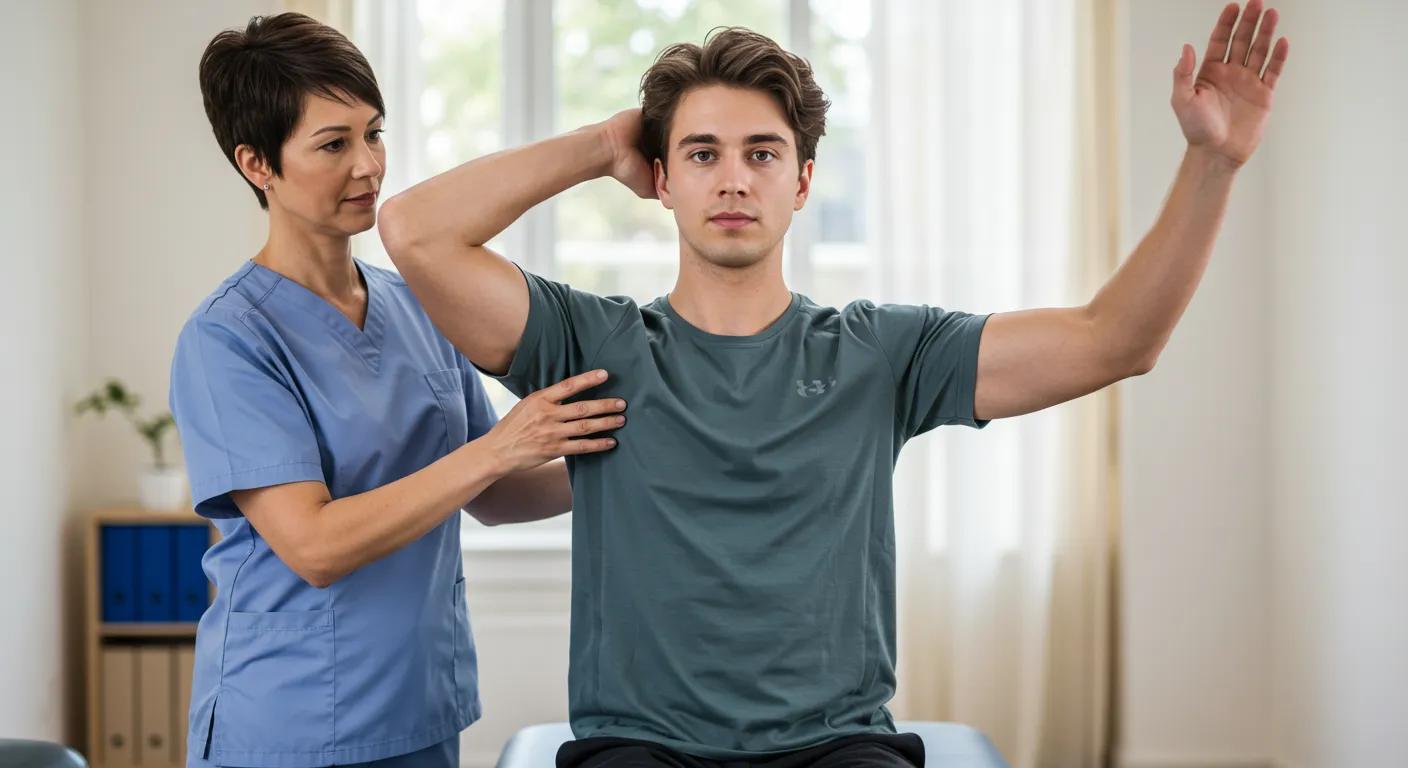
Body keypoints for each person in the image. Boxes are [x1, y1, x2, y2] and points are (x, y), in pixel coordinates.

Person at [379, 5, 1289, 766]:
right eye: (701, 154)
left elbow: (1114, 341)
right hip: (639, 746)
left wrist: (1214, 164)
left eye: (762, 154)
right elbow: (415, 232)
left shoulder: (880, 352)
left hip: (836, 746)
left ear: (805, 180)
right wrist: (600, 142)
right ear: (659, 179)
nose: (733, 178)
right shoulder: (593, 341)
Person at [168, 13, 626, 768]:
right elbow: (313, 545)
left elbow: (497, 494)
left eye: (373, 134)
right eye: (333, 144)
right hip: (290, 721)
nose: (368, 167)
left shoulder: (416, 303)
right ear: (257, 163)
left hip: (418, 707)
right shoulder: (228, 339)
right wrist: (499, 449)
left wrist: (640, 452)